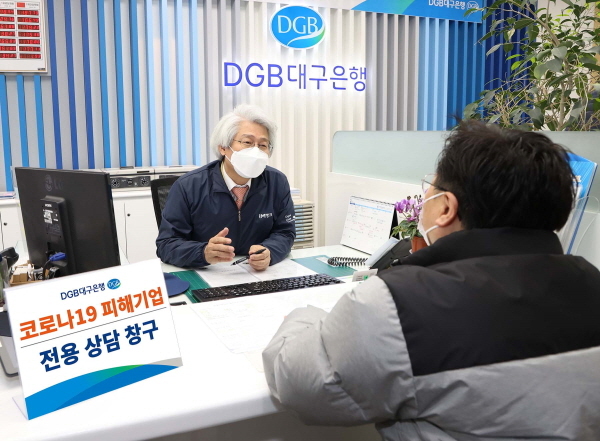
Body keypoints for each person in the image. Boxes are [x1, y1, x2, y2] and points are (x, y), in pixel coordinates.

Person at [262, 120, 600, 440]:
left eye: (431, 188)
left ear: (446, 208)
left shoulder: (401, 303)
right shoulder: (590, 281)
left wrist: (302, 316)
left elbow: (299, 383)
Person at [156, 104, 296, 270]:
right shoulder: (188, 186)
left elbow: (285, 233)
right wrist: (202, 252)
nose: (256, 151)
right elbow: (167, 244)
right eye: (247, 142)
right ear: (223, 147)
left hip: (257, 273)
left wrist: (270, 251)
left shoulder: (277, 182)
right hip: (207, 273)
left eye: (263, 145)